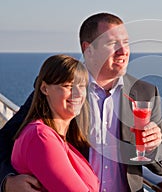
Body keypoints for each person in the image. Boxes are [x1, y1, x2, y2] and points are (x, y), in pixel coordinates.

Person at [0, 13, 162, 192]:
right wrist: (6, 182)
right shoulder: (61, 91)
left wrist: (152, 149)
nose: (124, 51)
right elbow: (4, 141)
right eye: (113, 43)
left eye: (126, 42)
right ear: (88, 49)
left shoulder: (143, 93)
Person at [11, 54, 99, 192]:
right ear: (45, 89)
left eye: (81, 86)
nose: (77, 93)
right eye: (67, 86)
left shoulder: (61, 139)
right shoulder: (40, 137)